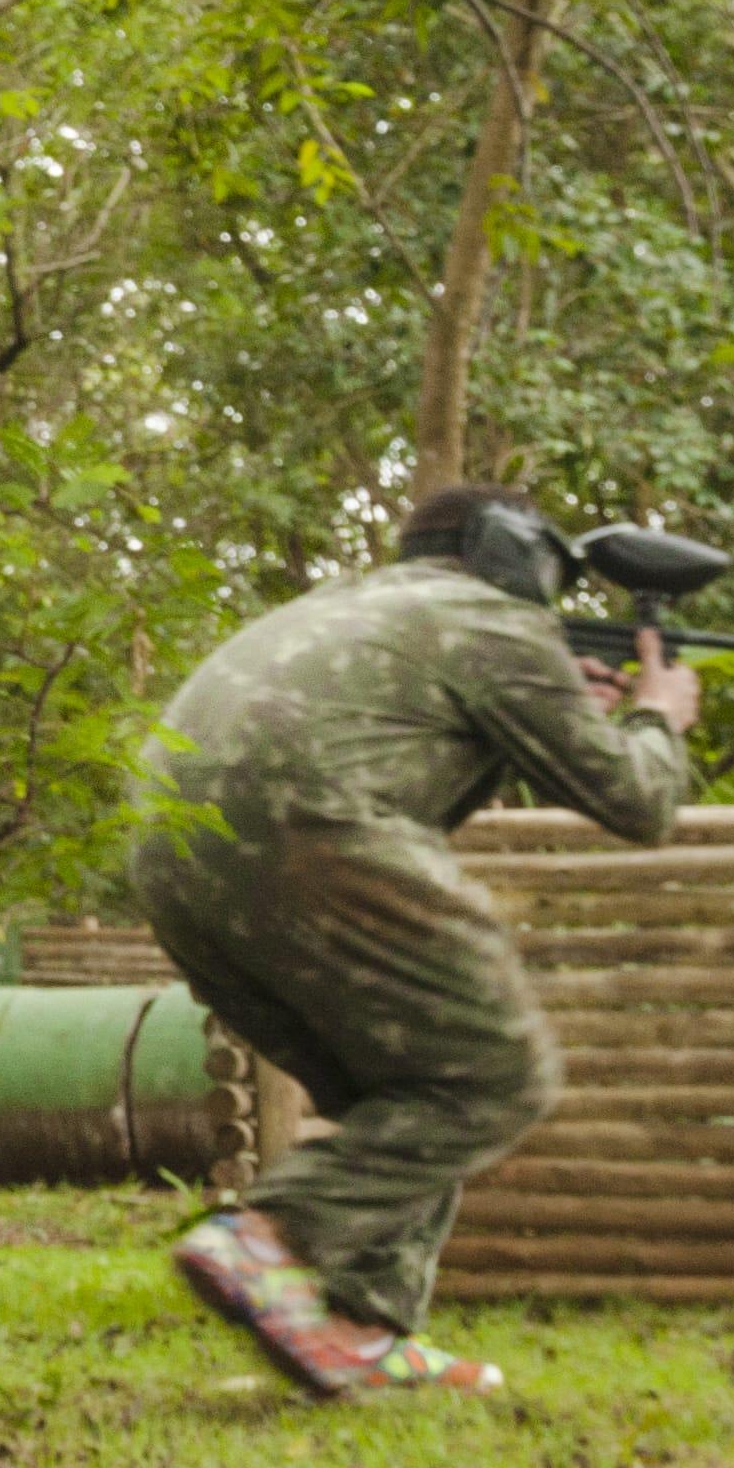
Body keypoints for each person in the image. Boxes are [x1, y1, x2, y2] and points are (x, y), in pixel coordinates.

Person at [129, 483, 698, 1400]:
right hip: (310, 826)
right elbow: (638, 802)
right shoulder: (493, 621)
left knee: (403, 1093)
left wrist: (558, 705)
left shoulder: (347, 605)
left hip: (167, 859)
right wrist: (658, 713)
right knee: (496, 1074)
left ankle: (364, 1335)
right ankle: (264, 1237)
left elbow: (389, 731)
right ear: (522, 557)